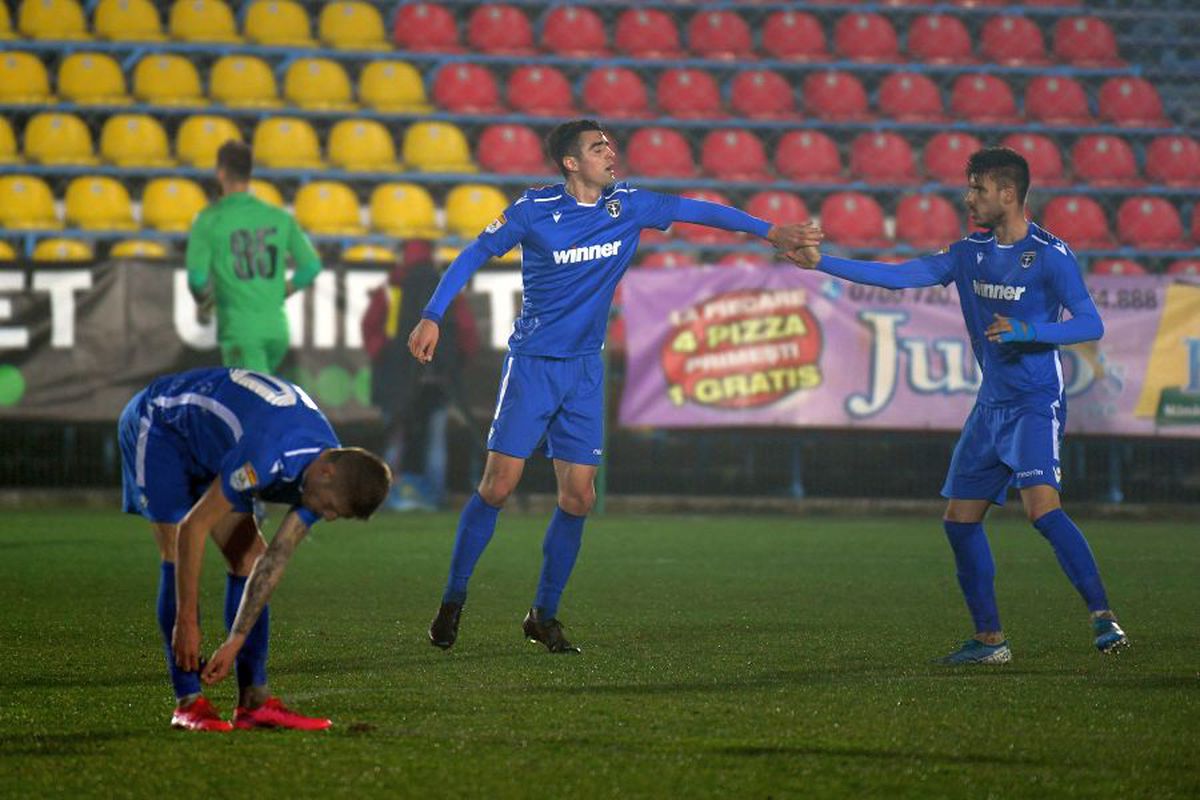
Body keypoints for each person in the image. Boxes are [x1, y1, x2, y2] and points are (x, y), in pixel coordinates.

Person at [408, 118, 822, 653]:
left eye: (609, 144)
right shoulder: (533, 212)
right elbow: (471, 255)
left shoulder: (628, 205)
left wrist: (771, 232)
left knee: (579, 497)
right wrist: (433, 314)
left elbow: (700, 211)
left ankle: (544, 615)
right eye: (597, 147)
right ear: (570, 163)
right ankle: (453, 600)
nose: (610, 152)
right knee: (498, 488)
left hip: (584, 371)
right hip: (534, 365)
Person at [786, 146, 1128, 664]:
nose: (968, 198)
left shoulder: (1051, 256)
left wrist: (1031, 331)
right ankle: (991, 642)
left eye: (978, 189)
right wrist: (822, 263)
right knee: (959, 521)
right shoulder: (969, 253)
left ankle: (1103, 618)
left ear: (1008, 193)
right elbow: (901, 275)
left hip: (1035, 400)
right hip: (990, 405)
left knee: (1042, 510)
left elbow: (1090, 323)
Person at [118, 367, 391, 730]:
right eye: (329, 508)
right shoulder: (268, 455)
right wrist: (187, 622)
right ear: (326, 473)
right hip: (161, 426)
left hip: (215, 447)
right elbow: (193, 529)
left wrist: (235, 641)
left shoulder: (325, 467)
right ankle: (188, 702)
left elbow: (276, 557)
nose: (324, 516)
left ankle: (253, 702)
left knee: (250, 556)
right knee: (174, 547)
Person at [186, 140, 322, 375]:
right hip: (277, 329)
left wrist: (206, 305)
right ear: (249, 174)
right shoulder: (279, 217)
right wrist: (283, 290)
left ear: (220, 173)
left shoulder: (209, 220)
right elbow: (310, 266)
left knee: (250, 405)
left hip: (240, 333)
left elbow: (197, 279)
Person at [362, 240, 479, 511]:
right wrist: (455, 365)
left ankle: (384, 496)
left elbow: (371, 327)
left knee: (395, 435)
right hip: (440, 376)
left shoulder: (390, 289)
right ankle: (435, 497)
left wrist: (385, 358)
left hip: (397, 376)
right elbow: (468, 333)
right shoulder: (447, 289)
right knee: (436, 439)